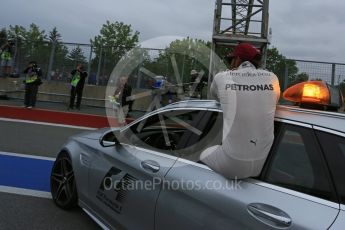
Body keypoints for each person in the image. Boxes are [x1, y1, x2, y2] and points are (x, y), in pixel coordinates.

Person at [200, 43, 281, 179]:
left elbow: (214, 96)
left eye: (231, 60)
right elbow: (273, 100)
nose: (231, 64)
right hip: (262, 164)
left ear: (237, 60)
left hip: (232, 166)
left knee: (202, 153)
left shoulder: (222, 77)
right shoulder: (273, 78)